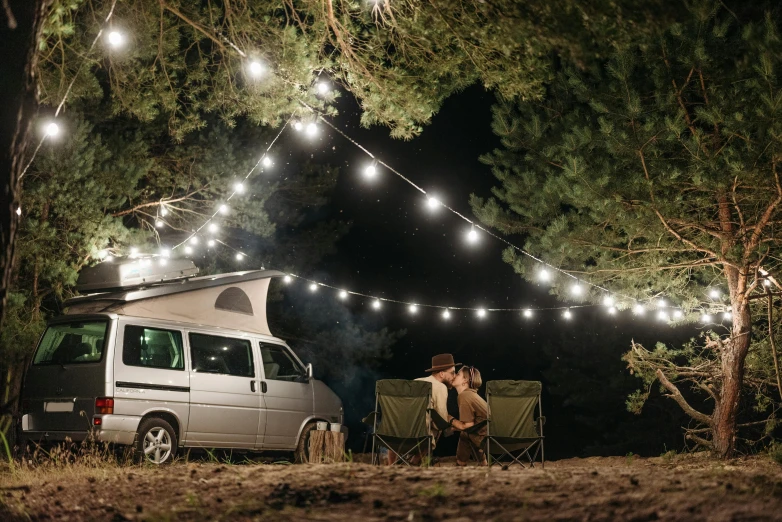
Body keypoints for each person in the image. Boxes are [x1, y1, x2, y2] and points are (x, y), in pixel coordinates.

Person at [452, 365, 488, 466]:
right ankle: (483, 464)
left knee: (465, 434)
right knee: (467, 435)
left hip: (487, 439)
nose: (454, 376)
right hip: (490, 435)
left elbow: (467, 426)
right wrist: (455, 426)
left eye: (458, 374)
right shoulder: (471, 395)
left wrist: (449, 419)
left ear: (465, 381)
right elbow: (476, 424)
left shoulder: (465, 396)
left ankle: (460, 464)